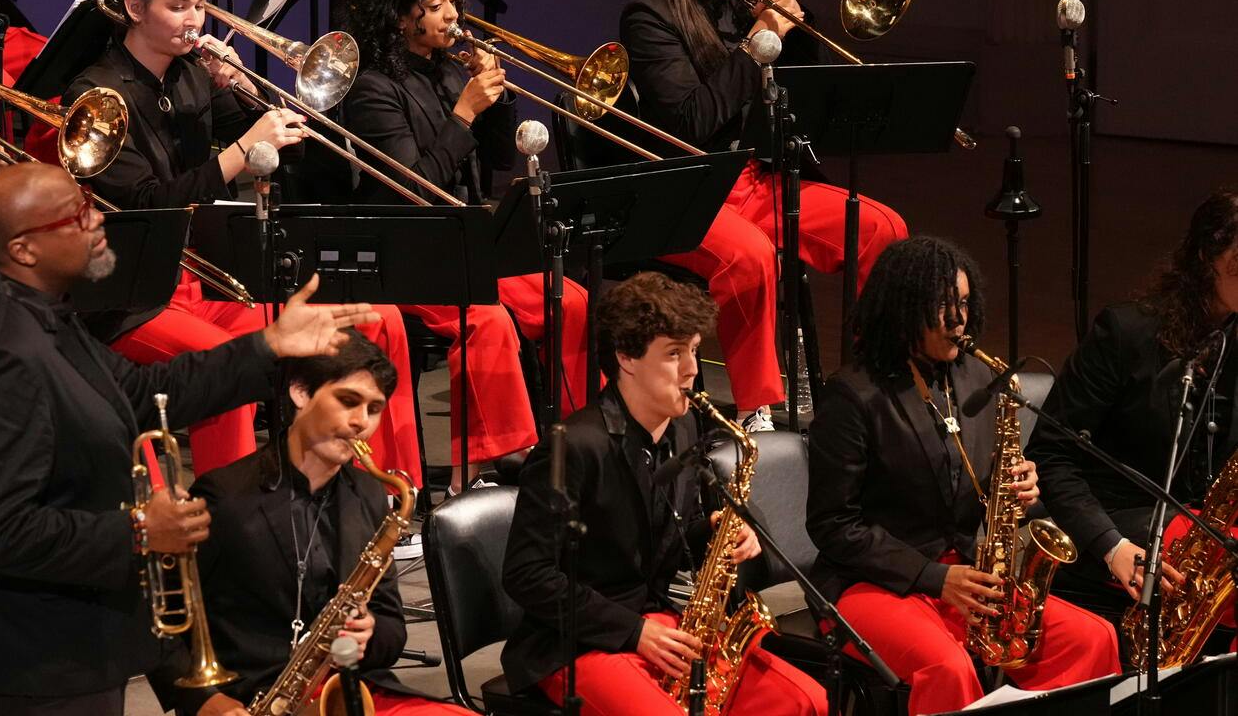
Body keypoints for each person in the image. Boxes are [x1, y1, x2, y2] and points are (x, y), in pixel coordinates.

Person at [0, 161, 378, 715]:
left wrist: (269, 346)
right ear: (23, 250)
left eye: (89, 204)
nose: (97, 220)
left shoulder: (49, 320)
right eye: (76, 215)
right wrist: (141, 529)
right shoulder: (6, 356)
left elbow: (143, 393)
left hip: (71, 640)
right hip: (32, 658)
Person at [62, 0, 421, 483]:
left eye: (200, 6)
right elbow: (147, 205)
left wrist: (243, 90)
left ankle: (385, 488)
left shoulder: (191, 76)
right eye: (178, 6)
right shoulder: (97, 94)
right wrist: (239, 151)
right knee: (228, 362)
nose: (194, 20)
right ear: (134, 8)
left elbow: (286, 154)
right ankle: (232, 508)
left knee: (372, 323)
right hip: (135, 296)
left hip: (208, 278)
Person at [620, 0, 909, 430]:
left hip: (755, 178)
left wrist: (798, 27)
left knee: (882, 227)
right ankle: (758, 410)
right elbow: (691, 121)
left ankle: (874, 381)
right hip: (689, 191)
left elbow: (813, 98)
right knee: (750, 257)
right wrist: (757, 44)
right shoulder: (647, 17)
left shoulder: (740, 4)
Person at [806, 236, 1120, 715]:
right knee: (948, 668)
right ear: (903, 308)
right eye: (943, 305)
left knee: (1092, 637)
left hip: (966, 576)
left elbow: (975, 485)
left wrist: (1020, 489)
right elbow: (832, 525)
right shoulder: (852, 396)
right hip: (870, 582)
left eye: (966, 303)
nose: (959, 320)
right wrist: (933, 577)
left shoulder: (977, 378)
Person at [502, 271, 827, 716]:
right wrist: (634, 632)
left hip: (656, 621)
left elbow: (666, 529)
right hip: (573, 643)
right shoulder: (573, 447)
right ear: (626, 358)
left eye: (693, 349)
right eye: (674, 353)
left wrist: (713, 530)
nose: (692, 368)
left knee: (805, 699)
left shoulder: (683, 426)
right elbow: (527, 575)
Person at [342, 0, 592, 485]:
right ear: (401, 15)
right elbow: (413, 188)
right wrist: (463, 114)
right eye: (437, 5)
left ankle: (582, 446)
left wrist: (497, 100)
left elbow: (499, 159)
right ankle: (473, 473)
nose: (454, 15)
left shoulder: (451, 74)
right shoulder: (371, 89)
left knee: (569, 300)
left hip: (467, 242)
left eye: (453, 1)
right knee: (485, 319)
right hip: (409, 250)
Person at [151, 331, 477, 716]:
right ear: (301, 392)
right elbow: (161, 620)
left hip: (347, 689)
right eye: (348, 401)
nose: (360, 422)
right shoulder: (225, 496)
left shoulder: (369, 495)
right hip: (252, 699)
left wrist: (369, 632)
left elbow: (392, 627)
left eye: (374, 409)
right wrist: (204, 701)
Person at [1028, 188, 1238, 640]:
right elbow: (1051, 455)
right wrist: (1112, 546)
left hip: (1202, 531)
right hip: (1116, 523)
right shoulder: (1126, 333)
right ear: (1206, 257)